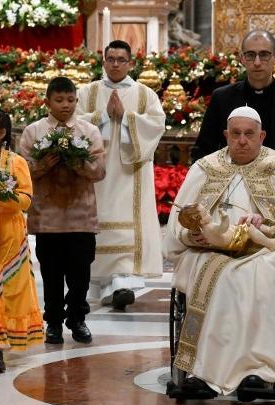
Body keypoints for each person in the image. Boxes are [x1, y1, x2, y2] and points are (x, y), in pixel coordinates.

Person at [163, 106, 275, 405]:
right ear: (226, 135)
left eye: (249, 134)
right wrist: (192, 235)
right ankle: (202, 372)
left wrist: (265, 230)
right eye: (235, 134)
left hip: (264, 252)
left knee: (259, 278)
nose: (241, 140)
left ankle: (259, 372)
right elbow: (180, 219)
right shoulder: (206, 167)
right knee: (214, 274)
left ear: (261, 135)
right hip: (209, 252)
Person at [76, 40, 165, 310]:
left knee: (128, 221)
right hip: (97, 171)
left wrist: (126, 118)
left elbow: (157, 124)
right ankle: (104, 282)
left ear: (130, 63)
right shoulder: (87, 92)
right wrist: (103, 116)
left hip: (131, 170)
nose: (115, 64)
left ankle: (122, 283)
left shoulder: (144, 94)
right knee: (99, 222)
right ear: (103, 61)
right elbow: (74, 122)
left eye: (121, 59)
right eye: (110, 59)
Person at [20, 77, 106, 345]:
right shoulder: (33, 132)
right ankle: (54, 323)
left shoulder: (89, 131)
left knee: (81, 275)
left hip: (81, 216)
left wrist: (77, 163)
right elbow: (23, 171)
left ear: (76, 101)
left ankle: (78, 320)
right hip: (48, 218)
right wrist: (44, 164)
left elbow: (100, 171)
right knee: (52, 274)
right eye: (59, 100)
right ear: (47, 102)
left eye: (70, 100)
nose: (65, 105)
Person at [192, 29, 275, 190]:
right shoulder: (222, 98)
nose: (257, 62)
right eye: (251, 55)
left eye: (264, 54)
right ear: (242, 59)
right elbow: (203, 150)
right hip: (230, 191)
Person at [0, 108, 43, 372]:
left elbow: (25, 199)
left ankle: (0, 347)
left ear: (1, 133)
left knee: (4, 284)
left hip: (9, 234)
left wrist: (1, 196)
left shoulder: (16, 162)